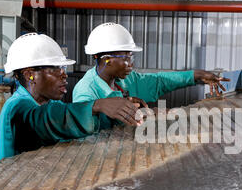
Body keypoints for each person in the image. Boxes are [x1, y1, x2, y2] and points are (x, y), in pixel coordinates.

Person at [0, 33, 146, 159]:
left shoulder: (50, 103)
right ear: (30, 75)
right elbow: (50, 119)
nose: (64, 74)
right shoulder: (17, 107)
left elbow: (74, 125)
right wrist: (98, 105)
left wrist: (118, 109)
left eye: (63, 68)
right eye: (55, 68)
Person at [72, 22, 229, 128]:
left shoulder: (127, 80)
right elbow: (85, 128)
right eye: (126, 57)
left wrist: (196, 75)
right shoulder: (85, 91)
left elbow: (159, 81)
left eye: (131, 56)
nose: (131, 63)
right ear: (107, 60)